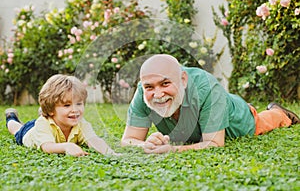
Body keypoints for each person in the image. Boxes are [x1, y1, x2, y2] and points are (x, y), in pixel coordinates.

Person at [121, 54, 300, 154]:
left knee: (262, 121)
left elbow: (214, 144)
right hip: (198, 127)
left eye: (166, 83)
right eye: (150, 87)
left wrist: (171, 150)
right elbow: (129, 139)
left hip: (240, 118)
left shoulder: (206, 88)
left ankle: (278, 112)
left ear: (183, 79)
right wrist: (145, 145)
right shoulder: (144, 93)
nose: (158, 94)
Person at [5, 74, 118, 157]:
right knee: (16, 129)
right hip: (30, 132)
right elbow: (47, 147)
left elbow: (94, 140)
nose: (75, 110)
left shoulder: (81, 123)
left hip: (51, 119)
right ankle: (11, 117)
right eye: (67, 105)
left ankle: (48, 111)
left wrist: (111, 153)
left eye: (79, 104)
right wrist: (66, 146)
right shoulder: (42, 124)